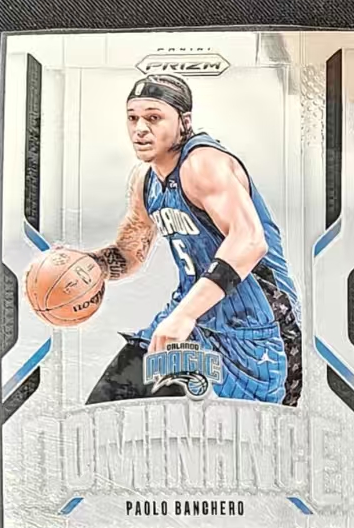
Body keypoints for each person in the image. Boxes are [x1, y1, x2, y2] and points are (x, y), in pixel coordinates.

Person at [83, 74, 301, 404]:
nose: (140, 129)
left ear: (184, 122)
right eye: (133, 118)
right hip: (195, 318)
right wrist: (91, 266)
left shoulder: (203, 164)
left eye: (153, 118)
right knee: (109, 407)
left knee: (248, 433)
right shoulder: (146, 181)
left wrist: (184, 315)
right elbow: (131, 251)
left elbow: (250, 240)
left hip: (256, 325)